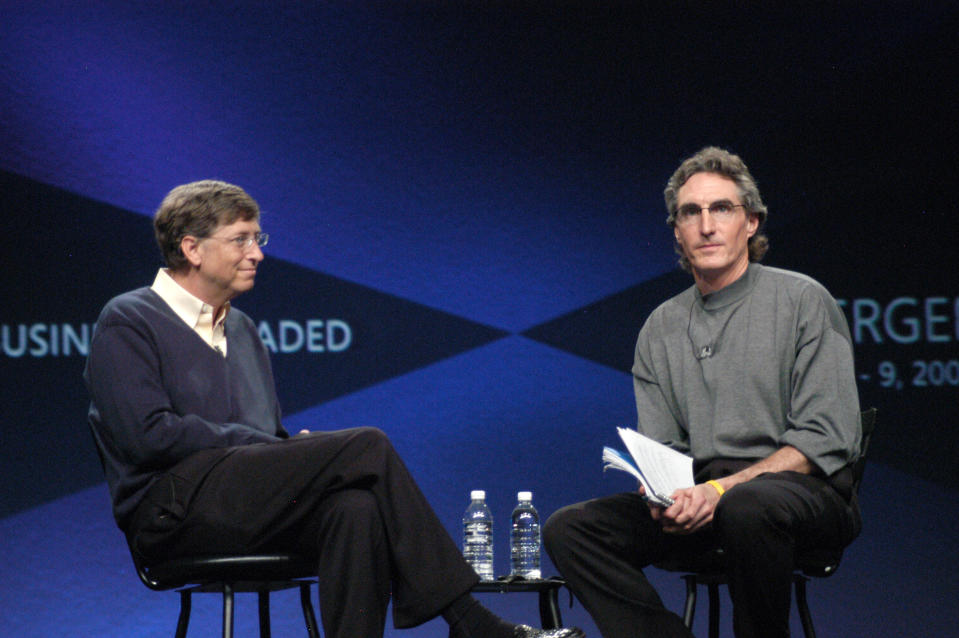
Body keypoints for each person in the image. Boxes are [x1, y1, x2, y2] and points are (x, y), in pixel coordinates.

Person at [84, 180, 585, 638]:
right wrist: (267, 448)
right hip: (172, 516)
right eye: (240, 239)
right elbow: (148, 436)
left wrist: (283, 450)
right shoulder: (130, 319)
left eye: (259, 238)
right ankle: (471, 621)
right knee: (366, 445)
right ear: (191, 248)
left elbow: (260, 435)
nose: (256, 253)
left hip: (242, 503)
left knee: (356, 507)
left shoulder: (244, 331)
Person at [542, 147, 862, 638]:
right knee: (571, 529)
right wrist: (665, 497)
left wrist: (720, 491)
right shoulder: (660, 327)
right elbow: (664, 450)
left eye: (722, 209)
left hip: (803, 495)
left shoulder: (801, 300)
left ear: (751, 223)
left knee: (748, 508)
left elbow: (825, 438)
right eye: (691, 212)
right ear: (677, 231)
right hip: (704, 500)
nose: (706, 225)